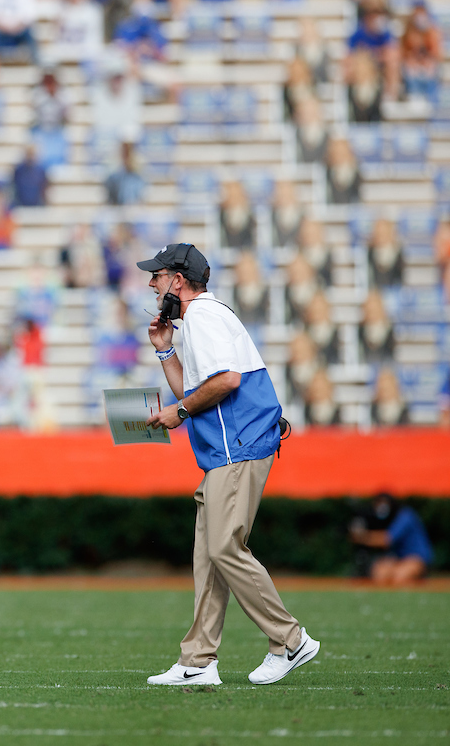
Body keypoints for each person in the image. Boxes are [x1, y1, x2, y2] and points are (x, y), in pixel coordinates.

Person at [141, 243, 320, 687]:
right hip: (227, 449)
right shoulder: (200, 319)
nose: (152, 284)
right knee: (209, 555)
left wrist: (180, 412)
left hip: (238, 447)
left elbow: (226, 381)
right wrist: (165, 351)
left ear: (177, 281)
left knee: (223, 547)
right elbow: (195, 390)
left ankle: (290, 640)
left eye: (157, 276)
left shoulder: (203, 316)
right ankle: (198, 661)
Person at [350, 494, 433, 585]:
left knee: (400, 577)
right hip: (398, 559)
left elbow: (386, 539)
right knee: (380, 573)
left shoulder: (406, 516)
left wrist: (362, 537)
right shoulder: (384, 518)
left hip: (416, 557)